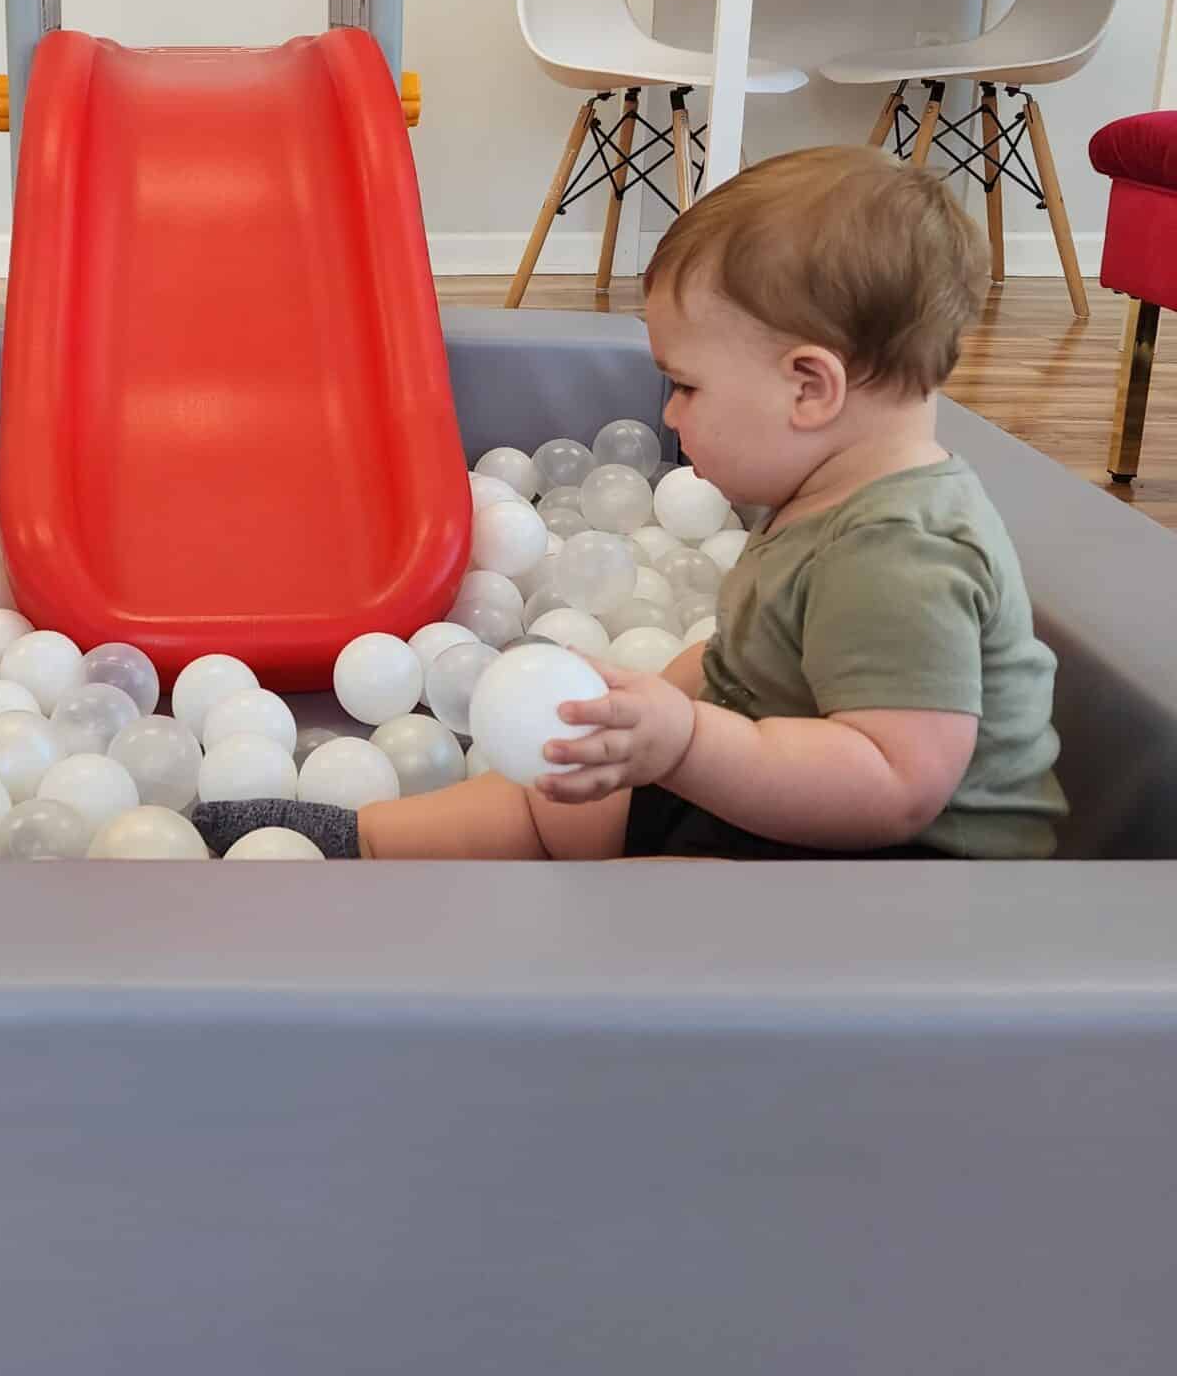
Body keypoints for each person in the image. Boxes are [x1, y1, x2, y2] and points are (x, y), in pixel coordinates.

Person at [197, 145, 1066, 863]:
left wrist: (683, 742)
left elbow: (892, 784)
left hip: (909, 890)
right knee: (563, 789)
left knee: (650, 888)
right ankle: (354, 844)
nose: (669, 415)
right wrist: (639, 711)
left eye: (684, 386)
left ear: (810, 388)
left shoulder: (900, 554)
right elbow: (743, 657)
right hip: (787, 807)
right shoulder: (823, 493)